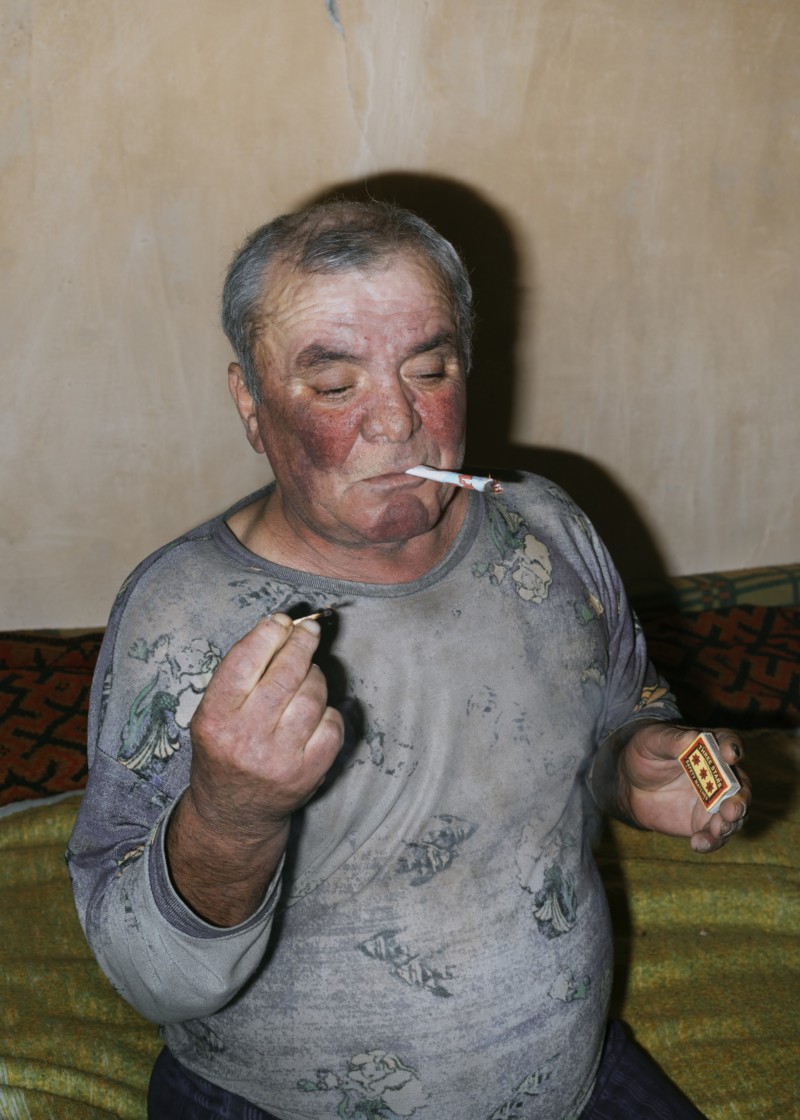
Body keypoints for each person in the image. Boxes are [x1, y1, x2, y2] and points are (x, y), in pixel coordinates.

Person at [68, 200, 750, 1120]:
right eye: (334, 385)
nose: (397, 422)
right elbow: (149, 978)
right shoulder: (180, 619)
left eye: (430, 370)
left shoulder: (546, 525)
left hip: (577, 1081)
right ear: (250, 404)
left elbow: (619, 714)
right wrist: (231, 817)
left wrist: (635, 765)